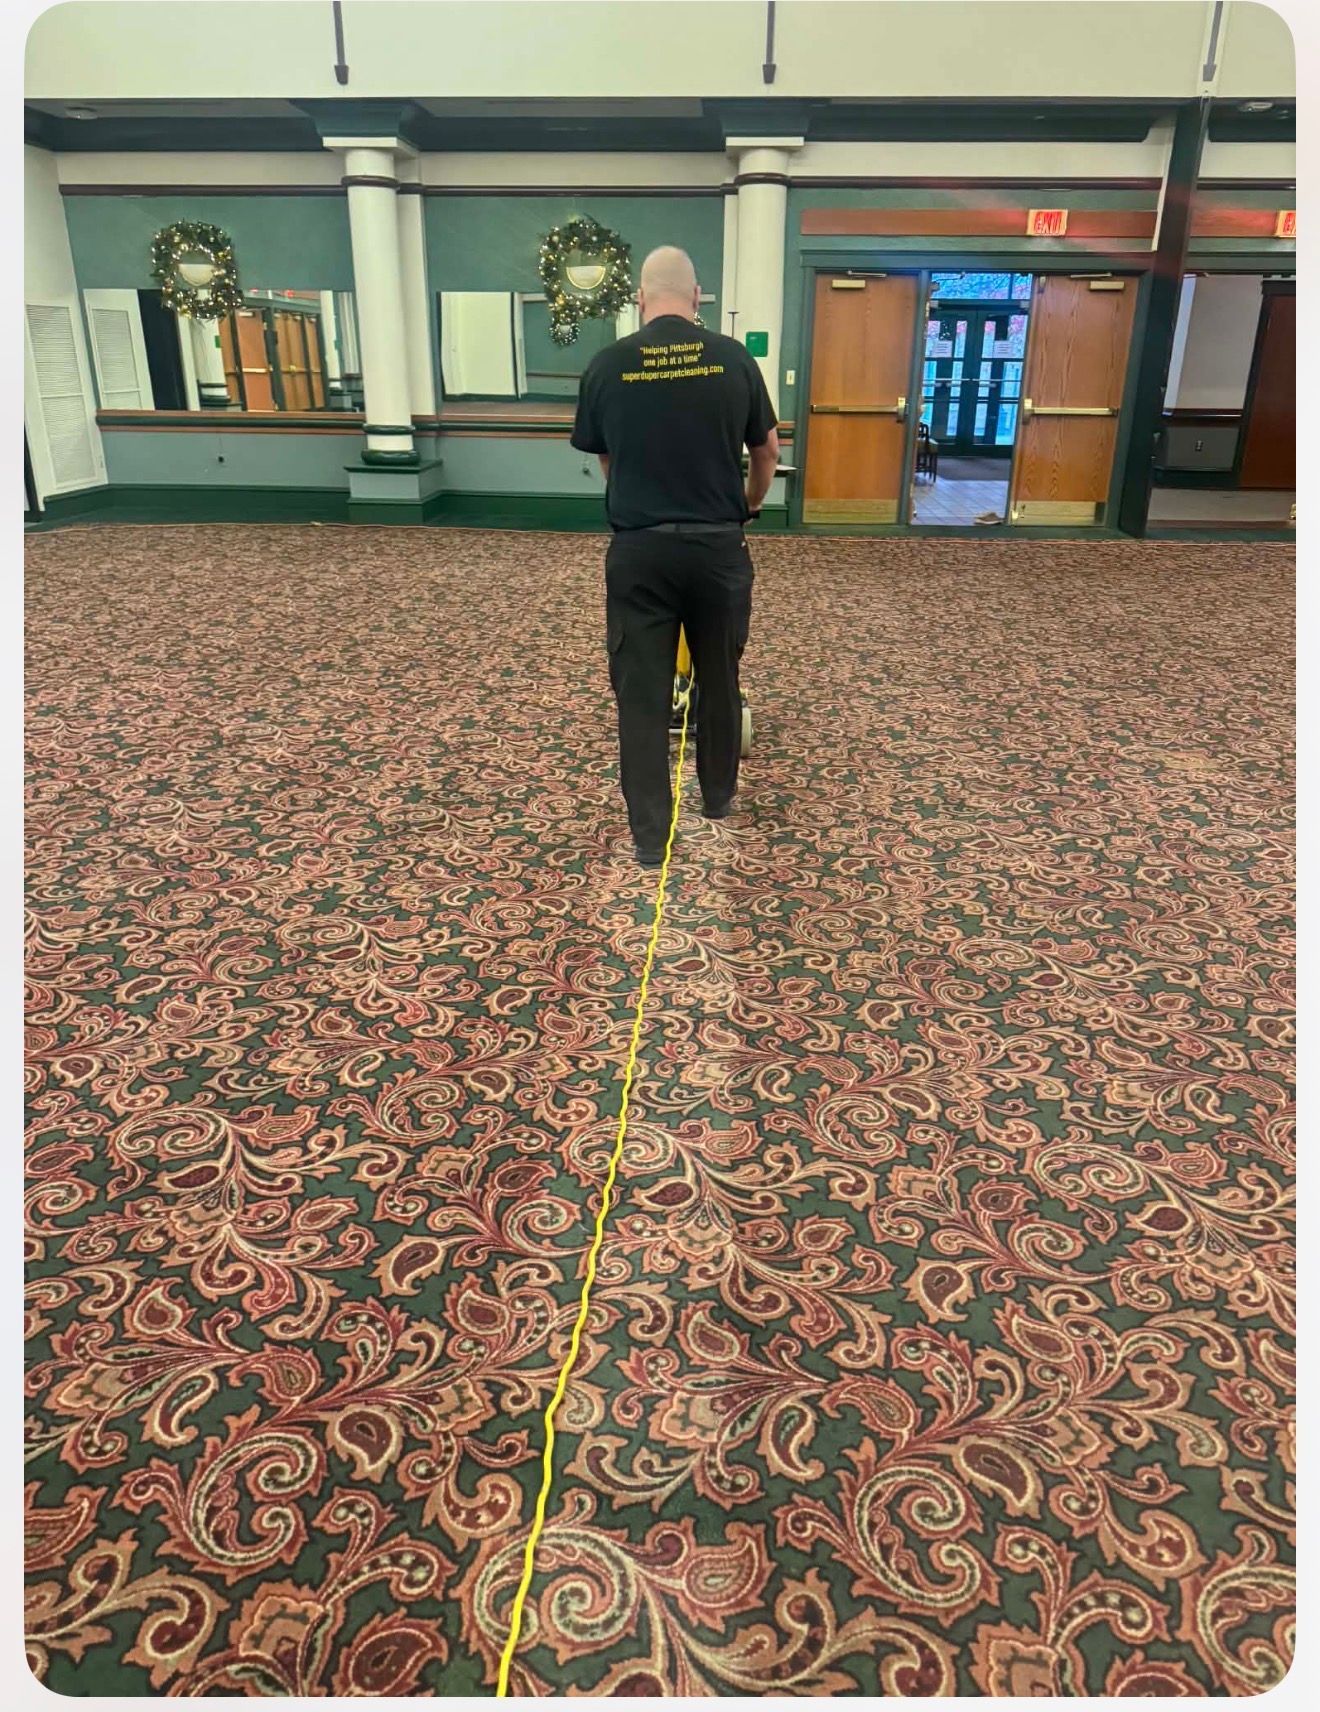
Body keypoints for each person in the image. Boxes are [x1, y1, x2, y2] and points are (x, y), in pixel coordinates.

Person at [571, 246, 780, 868]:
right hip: (718, 546)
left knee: (640, 693)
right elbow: (766, 450)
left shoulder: (607, 365)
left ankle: (649, 837)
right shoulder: (732, 358)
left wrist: (636, 492)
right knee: (719, 675)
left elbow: (605, 458)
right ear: (697, 298)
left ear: (640, 297)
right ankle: (716, 797)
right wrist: (747, 504)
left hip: (639, 550)